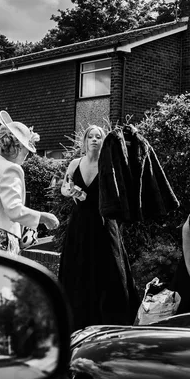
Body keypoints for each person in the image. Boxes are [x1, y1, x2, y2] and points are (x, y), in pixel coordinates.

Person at [57, 125, 136, 330]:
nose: (94, 140)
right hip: (80, 222)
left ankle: (110, 319)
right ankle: (78, 317)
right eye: (90, 136)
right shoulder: (75, 163)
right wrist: (70, 191)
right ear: (84, 141)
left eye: (98, 137)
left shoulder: (108, 164)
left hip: (104, 221)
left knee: (108, 268)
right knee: (79, 268)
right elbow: (64, 187)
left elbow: (121, 191)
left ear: (103, 141)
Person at [0, 111, 59, 255]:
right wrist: (43, 217)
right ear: (17, 147)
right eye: (26, 152)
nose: (26, 157)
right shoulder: (11, 169)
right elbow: (13, 210)